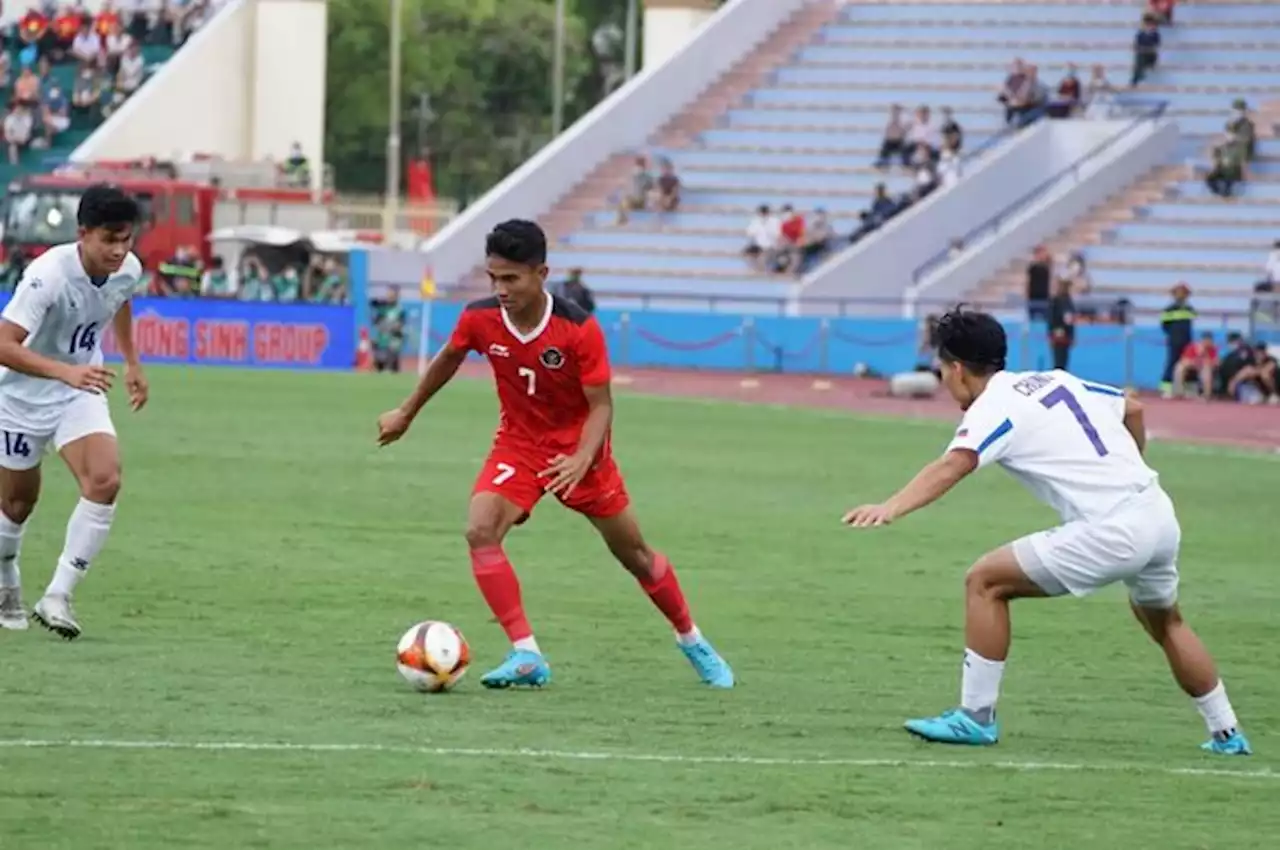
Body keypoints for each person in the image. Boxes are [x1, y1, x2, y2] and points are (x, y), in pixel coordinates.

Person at [841, 308, 1251, 756]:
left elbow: (954, 464)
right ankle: (1227, 733)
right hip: (1156, 512)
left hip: (1112, 528)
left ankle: (975, 719)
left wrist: (890, 507)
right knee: (1167, 621)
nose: (943, 380)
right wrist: (1127, 466)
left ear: (957, 368)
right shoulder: (1055, 380)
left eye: (942, 370)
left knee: (984, 581)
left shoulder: (994, 405)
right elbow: (1133, 407)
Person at [375, 219, 733, 690]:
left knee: (636, 556)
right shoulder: (479, 319)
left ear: (541, 273)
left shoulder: (578, 330)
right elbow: (449, 357)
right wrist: (407, 411)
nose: (500, 289)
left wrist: (584, 458)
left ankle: (691, 639)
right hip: (520, 444)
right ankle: (527, 654)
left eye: (511, 279)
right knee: (480, 529)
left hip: (580, 451)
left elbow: (602, 405)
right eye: (493, 278)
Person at [0, 184, 147, 637]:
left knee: (105, 479)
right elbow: (4, 345)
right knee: (16, 506)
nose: (120, 250)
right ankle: (7, 581)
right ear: (83, 233)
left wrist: (131, 363)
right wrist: (64, 373)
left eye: (126, 239)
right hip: (20, 398)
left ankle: (58, 595)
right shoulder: (48, 276)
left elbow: (118, 300)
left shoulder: (127, 268)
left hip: (78, 391)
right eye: (109, 240)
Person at [1047, 276, 1075, 370]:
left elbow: (1071, 320)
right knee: (1058, 361)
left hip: (1066, 336)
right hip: (1057, 336)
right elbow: (1051, 319)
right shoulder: (1055, 301)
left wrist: (1071, 335)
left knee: (1064, 361)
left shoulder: (1068, 301)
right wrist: (1051, 334)